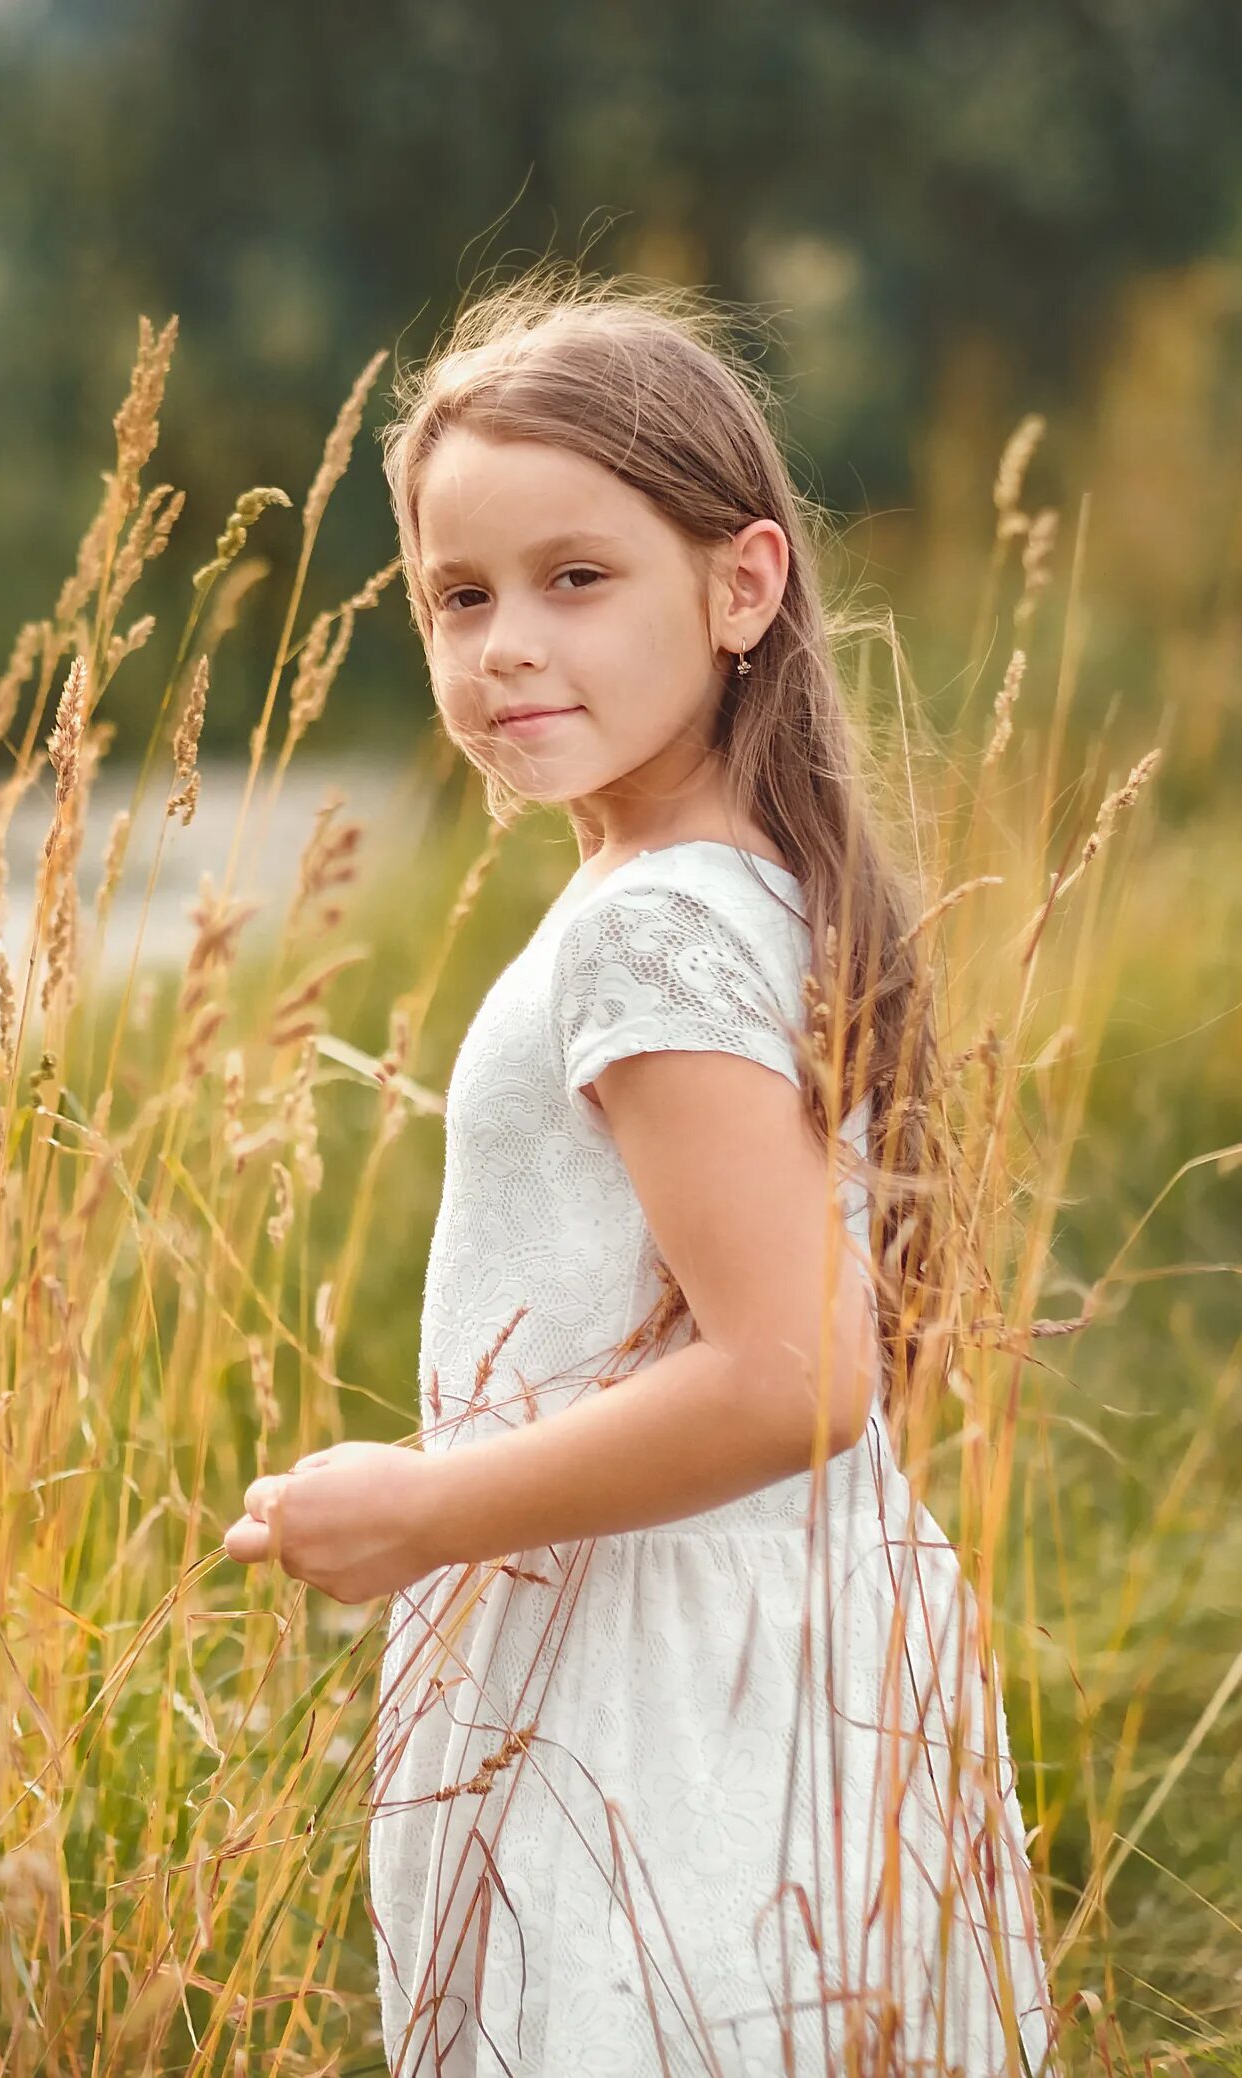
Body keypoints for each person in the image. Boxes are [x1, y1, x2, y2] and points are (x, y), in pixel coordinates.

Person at [222, 271, 1060, 2075]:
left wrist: (421, 1511)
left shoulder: (654, 930)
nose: (507, 643)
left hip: (664, 1672)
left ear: (742, 584)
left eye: (576, 579)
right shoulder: (717, 875)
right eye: (460, 596)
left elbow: (798, 1370)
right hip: (762, 1624)